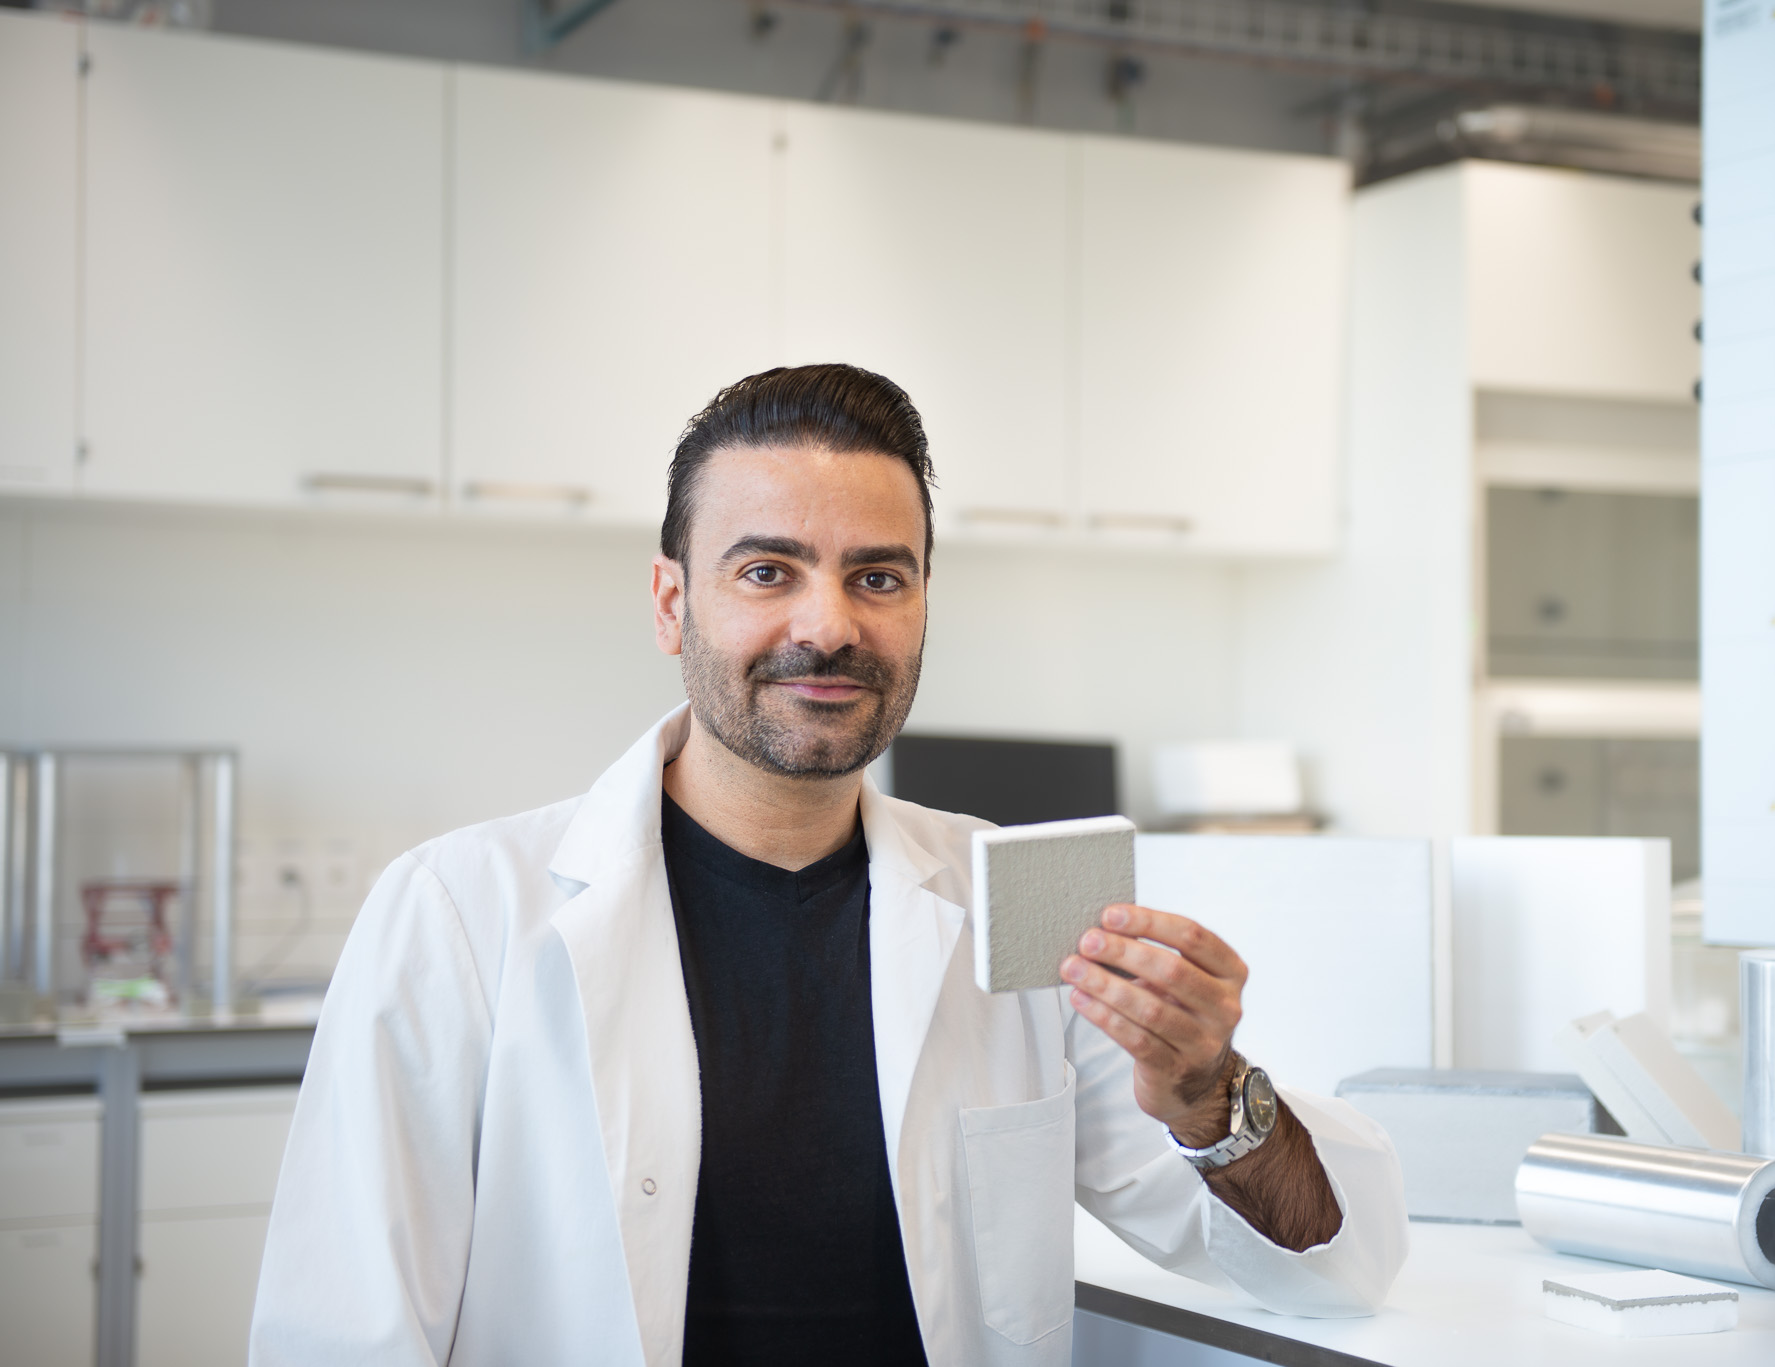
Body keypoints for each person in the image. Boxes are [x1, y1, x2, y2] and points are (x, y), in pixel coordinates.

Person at [249, 364, 1407, 1366]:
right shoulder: (460, 913)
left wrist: (1212, 1096)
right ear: (671, 601)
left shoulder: (1006, 903)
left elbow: (1326, 1268)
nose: (830, 623)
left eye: (877, 575)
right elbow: (343, 1334)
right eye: (766, 571)